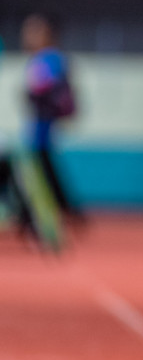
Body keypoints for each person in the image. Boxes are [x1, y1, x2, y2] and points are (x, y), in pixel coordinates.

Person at [21, 14, 80, 222]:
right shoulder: (42, 59)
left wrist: (33, 94)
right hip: (39, 123)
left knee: (41, 167)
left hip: (44, 124)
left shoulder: (50, 59)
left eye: (34, 31)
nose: (27, 36)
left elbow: (44, 90)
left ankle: (35, 213)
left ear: (47, 34)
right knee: (44, 166)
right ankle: (63, 209)